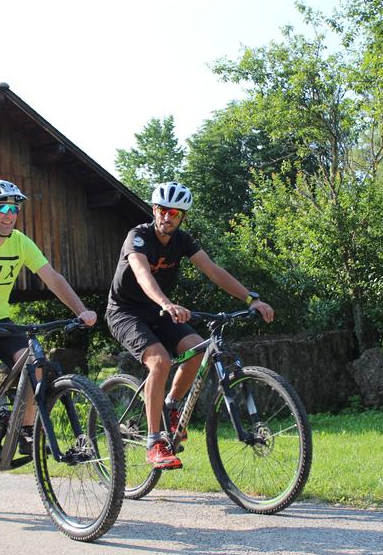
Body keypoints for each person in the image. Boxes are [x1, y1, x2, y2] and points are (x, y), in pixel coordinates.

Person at [106, 181, 274, 470]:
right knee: (159, 361)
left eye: (174, 213)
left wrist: (251, 299)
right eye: (162, 210)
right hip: (126, 311)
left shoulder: (183, 241)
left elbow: (214, 271)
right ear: (154, 210)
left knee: (197, 350)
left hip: (158, 309)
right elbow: (143, 275)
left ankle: (171, 407)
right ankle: (154, 442)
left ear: (182, 216)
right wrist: (166, 303)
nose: (167, 217)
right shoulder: (138, 237)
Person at [0, 179, 97, 485]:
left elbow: (52, 277)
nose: (9, 214)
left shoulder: (20, 242)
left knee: (35, 364)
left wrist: (81, 311)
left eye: (14, 208)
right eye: (1, 207)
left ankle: (26, 429)